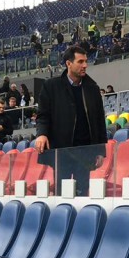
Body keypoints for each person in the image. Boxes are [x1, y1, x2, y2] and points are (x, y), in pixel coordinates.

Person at [33, 45, 107, 195]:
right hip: (61, 152)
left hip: (85, 151)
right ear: (68, 63)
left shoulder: (93, 88)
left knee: (82, 194)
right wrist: (42, 134)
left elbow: (99, 121)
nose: (85, 65)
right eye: (80, 61)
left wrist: (100, 151)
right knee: (61, 194)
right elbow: (43, 115)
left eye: (85, 61)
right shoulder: (51, 86)